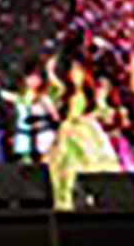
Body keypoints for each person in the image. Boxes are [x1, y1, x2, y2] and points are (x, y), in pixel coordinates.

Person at [43, 58, 122, 210]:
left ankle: (94, 199)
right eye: (72, 71)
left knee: (92, 165)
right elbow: (54, 89)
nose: (75, 75)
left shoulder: (90, 94)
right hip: (68, 134)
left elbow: (103, 112)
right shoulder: (68, 93)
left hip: (86, 133)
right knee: (65, 168)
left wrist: (93, 113)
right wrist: (50, 71)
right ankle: (66, 201)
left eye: (78, 71)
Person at [94, 74, 134, 207]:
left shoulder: (119, 104)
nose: (100, 90)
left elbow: (125, 124)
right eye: (98, 86)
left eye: (104, 86)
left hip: (118, 145)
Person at [0, 63, 59, 163]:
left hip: (44, 136)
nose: (30, 80)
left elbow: (55, 117)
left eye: (34, 77)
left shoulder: (43, 97)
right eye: (29, 77)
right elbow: (15, 98)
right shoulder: (25, 96)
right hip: (29, 138)